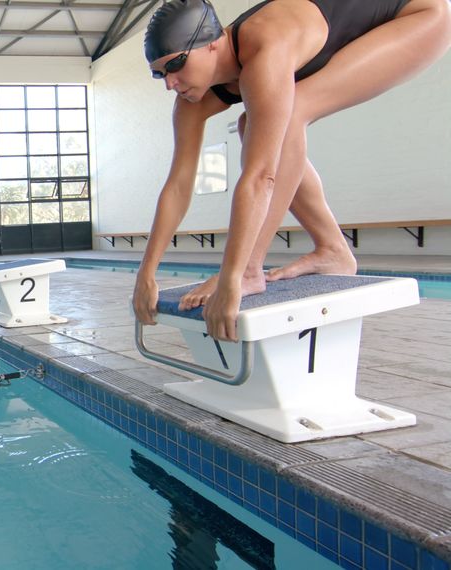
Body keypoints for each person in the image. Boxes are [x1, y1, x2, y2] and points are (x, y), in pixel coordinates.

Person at [131, 0, 451, 342]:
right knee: (253, 124)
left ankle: (259, 266)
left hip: (422, 15)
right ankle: (332, 249)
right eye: (159, 73)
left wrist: (237, 273)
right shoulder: (188, 103)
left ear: (212, 41)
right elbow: (178, 185)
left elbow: (260, 176)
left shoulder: (265, 46)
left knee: (293, 110)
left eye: (176, 65)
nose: (170, 82)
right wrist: (146, 273)